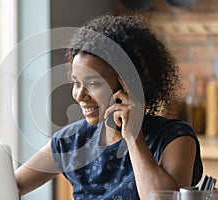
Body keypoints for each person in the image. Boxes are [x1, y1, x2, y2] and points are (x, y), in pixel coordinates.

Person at [15, 14, 203, 200]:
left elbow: (162, 199)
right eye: (76, 83)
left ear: (128, 85)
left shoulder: (175, 138)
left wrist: (133, 137)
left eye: (94, 83)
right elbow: (13, 186)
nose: (79, 95)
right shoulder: (71, 141)